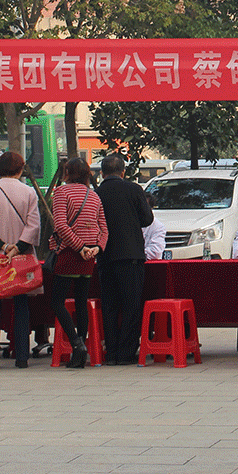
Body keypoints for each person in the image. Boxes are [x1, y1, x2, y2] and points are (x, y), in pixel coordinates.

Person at [0, 150, 41, 370]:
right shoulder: (29, 192)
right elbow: (33, 226)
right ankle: (21, 356)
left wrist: (3, 247)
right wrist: (17, 248)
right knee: (21, 303)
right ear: (20, 169)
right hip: (21, 256)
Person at [96, 153, 154, 365]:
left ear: (102, 173)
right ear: (122, 172)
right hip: (130, 255)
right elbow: (147, 219)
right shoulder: (134, 189)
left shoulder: (97, 193)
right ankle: (126, 353)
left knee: (109, 306)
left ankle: (111, 353)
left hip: (105, 255)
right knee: (131, 306)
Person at [48, 157, 106, 369]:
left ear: (67, 173)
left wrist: (79, 247)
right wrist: (96, 248)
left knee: (57, 301)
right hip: (89, 255)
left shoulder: (61, 193)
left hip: (70, 252)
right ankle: (80, 353)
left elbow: (61, 226)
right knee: (81, 301)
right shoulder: (94, 195)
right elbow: (104, 228)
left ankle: (76, 343)